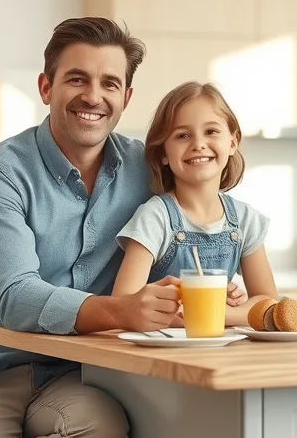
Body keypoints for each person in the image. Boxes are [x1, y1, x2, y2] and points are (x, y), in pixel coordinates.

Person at [0, 17, 188, 438]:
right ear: (46, 87)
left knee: (104, 428)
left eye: (110, 83)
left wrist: (217, 282)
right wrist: (121, 310)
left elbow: (185, 229)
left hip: (75, 375)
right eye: (77, 79)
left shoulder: (145, 170)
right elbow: (16, 298)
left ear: (125, 98)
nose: (93, 96)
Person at [112, 81, 278, 326]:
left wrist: (214, 312)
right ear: (164, 154)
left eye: (211, 131)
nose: (198, 144)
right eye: (182, 135)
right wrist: (211, 311)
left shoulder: (245, 220)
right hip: (160, 358)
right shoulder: (155, 218)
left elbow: (268, 303)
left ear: (233, 142)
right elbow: (124, 303)